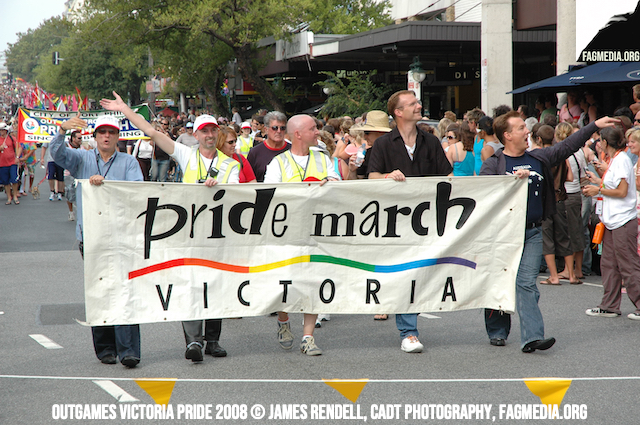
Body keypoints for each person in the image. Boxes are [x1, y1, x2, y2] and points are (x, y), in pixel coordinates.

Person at [101, 91, 240, 363]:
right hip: (189, 232)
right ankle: (194, 341)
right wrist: (126, 110)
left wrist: (220, 187)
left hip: (218, 233)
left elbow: (236, 194)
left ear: (218, 134)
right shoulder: (187, 154)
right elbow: (152, 132)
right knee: (191, 284)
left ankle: (213, 340)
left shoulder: (230, 165)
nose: (209, 135)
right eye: (204, 131)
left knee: (216, 284)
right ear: (196, 135)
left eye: (213, 130)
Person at [480, 111, 618, 353]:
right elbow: (484, 193)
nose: (527, 131)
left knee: (526, 284)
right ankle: (497, 330)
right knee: (500, 281)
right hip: (502, 234)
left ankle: (532, 337)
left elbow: (567, 146)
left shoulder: (538, 157)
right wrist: (510, 181)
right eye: (521, 128)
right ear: (507, 135)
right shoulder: (494, 163)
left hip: (532, 232)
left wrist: (594, 125)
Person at [50, 113, 143, 368]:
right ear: (95, 136)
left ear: (118, 137)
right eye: (102, 132)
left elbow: (137, 192)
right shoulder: (82, 158)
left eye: (111, 132)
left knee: (124, 290)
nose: (106, 136)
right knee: (100, 291)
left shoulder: (129, 162)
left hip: (122, 236)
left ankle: (129, 350)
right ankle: (106, 349)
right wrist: (61, 130)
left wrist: (107, 184)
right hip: (91, 237)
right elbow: (57, 154)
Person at [368, 90, 453, 353]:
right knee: (405, 273)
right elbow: (371, 177)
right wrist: (387, 177)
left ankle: (407, 326)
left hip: (427, 221)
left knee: (419, 273)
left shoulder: (431, 141)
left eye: (417, 102)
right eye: (412, 103)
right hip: (395, 222)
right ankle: (409, 332)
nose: (418, 106)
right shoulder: (383, 144)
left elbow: (447, 176)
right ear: (398, 112)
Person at [263, 114, 340, 356]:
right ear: (298, 134)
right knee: (285, 282)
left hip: (317, 231)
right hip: (287, 233)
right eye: (312, 129)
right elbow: (269, 195)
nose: (318, 132)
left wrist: (331, 181)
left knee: (313, 282)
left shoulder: (322, 158)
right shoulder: (278, 163)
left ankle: (308, 337)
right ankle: (283, 320)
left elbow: (338, 185)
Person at [583, 127, 640, 320]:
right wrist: (598, 182)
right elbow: (615, 187)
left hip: (622, 220)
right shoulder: (617, 159)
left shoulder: (621, 160)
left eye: (600, 140)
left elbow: (622, 192)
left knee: (628, 265)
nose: (598, 144)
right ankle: (609, 305)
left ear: (606, 142)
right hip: (613, 220)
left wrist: (598, 190)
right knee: (609, 264)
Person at [247, 111, 290, 182]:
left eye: (282, 128)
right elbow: (249, 181)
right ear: (266, 129)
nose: (279, 131)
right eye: (275, 128)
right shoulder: (255, 153)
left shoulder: (293, 150)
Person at [0, 122, 21, 205]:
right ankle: (9, 197)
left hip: (12, 162)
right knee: (6, 181)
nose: (1, 131)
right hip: (2, 163)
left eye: (2, 130)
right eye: (0, 130)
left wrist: (17, 157)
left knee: (14, 179)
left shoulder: (12, 138)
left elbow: (19, 147)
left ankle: (15, 196)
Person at [64, 130, 83, 221]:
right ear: (73, 139)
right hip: (69, 174)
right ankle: (71, 211)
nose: (81, 140)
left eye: (81, 138)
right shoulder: (67, 147)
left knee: (81, 194)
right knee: (69, 193)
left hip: (80, 174)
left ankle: (81, 212)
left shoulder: (82, 148)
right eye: (79, 138)